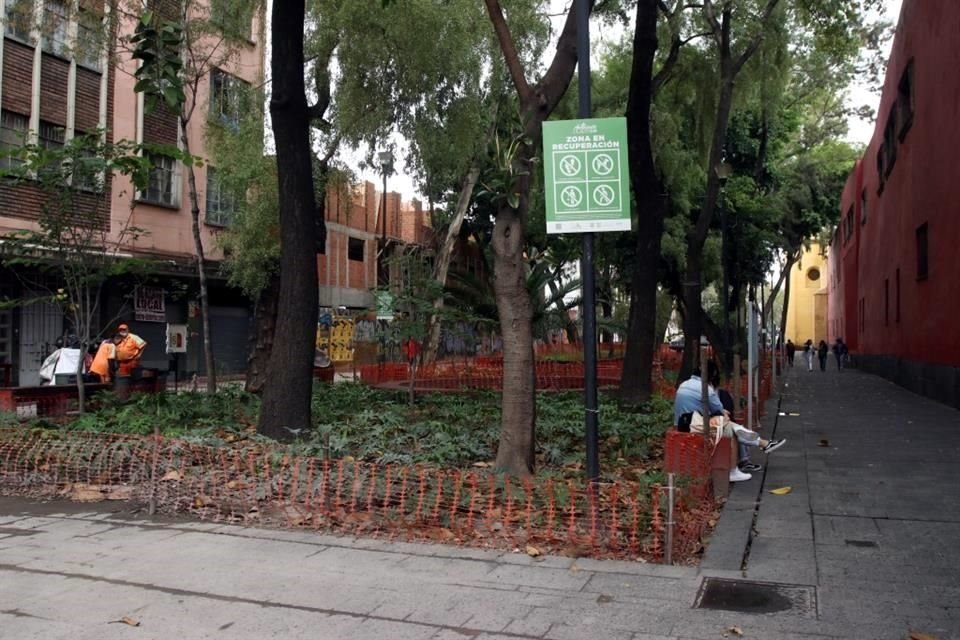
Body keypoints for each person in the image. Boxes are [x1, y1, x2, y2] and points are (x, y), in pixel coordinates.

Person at [673, 367, 786, 483]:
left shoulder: (684, 384)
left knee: (730, 426)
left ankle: (762, 445)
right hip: (695, 425)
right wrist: (724, 415)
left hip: (684, 423)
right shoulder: (705, 388)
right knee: (730, 429)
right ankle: (735, 468)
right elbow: (719, 409)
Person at [708, 362, 762, 475]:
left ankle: (749, 455)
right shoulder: (708, 390)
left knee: (737, 428)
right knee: (735, 430)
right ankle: (758, 447)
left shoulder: (715, 390)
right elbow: (718, 408)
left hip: (716, 419)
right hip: (712, 421)